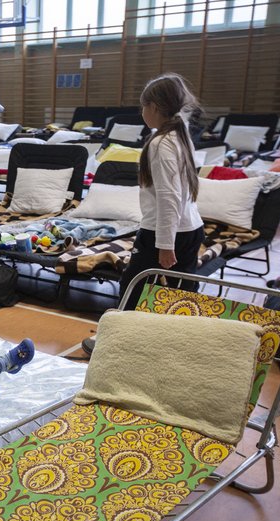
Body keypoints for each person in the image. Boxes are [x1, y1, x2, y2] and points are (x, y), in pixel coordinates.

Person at [82, 73, 205, 356]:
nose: (142, 113)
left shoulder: (162, 143)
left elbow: (168, 196)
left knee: (133, 286)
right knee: (182, 290)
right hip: (189, 226)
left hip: (165, 231)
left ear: (155, 108)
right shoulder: (179, 132)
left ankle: (112, 343)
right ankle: (182, 346)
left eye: (143, 107)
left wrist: (165, 243)